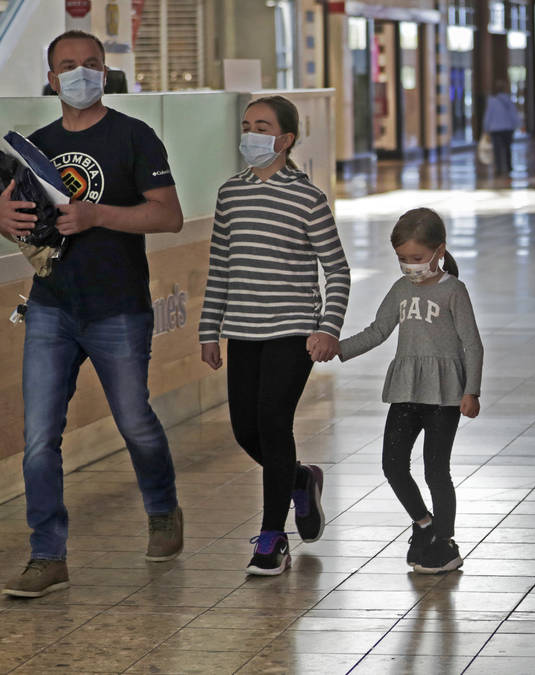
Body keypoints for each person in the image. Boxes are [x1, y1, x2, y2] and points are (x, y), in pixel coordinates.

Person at [0, 30, 184, 598]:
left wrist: (98, 215)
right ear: (51, 79)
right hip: (51, 307)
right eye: (68, 65)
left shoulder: (134, 136)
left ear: (105, 73)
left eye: (92, 64)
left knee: (135, 421)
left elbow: (168, 216)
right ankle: (47, 555)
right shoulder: (36, 147)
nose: (81, 73)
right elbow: (18, 218)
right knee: (39, 438)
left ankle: (163, 510)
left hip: (117, 307)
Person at [198, 96, 350, 576]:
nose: (250, 134)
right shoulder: (230, 194)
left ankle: (272, 538)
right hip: (243, 330)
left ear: (285, 140)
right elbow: (220, 267)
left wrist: (327, 328)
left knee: (272, 421)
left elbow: (337, 270)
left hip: (293, 330)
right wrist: (208, 330)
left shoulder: (308, 199)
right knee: (245, 430)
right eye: (247, 125)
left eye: (262, 127)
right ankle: (299, 480)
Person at [338, 207, 483, 574]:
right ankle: (423, 523)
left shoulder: (454, 291)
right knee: (392, 464)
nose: (409, 266)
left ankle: (445, 543)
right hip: (406, 390)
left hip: (444, 396)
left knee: (436, 470)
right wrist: (337, 349)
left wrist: (472, 390)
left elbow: (472, 344)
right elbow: (377, 331)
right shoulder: (401, 289)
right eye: (403, 258)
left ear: (439, 251)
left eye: (417, 258)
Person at [482, 81, 519, 177]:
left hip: (495, 130)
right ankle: (508, 167)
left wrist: (486, 128)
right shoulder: (509, 100)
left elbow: (488, 116)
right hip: (507, 129)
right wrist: (517, 125)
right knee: (507, 149)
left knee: (497, 150)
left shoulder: (492, 101)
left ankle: (499, 168)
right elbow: (514, 114)